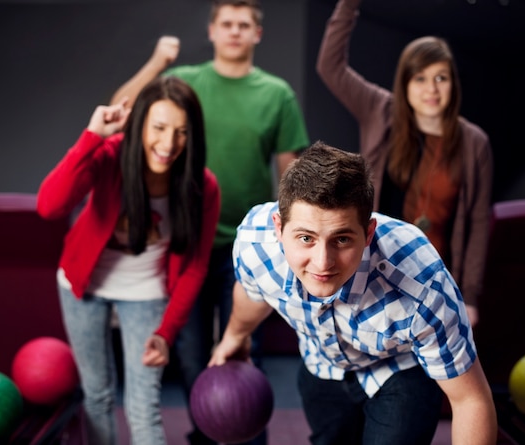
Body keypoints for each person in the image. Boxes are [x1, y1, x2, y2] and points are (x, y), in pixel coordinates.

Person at [111, 1, 309, 443]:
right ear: (213, 30)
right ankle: (207, 432)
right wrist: (159, 61)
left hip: (251, 248)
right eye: (227, 24)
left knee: (242, 351)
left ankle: (248, 436)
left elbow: (292, 173)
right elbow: (121, 108)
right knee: (192, 354)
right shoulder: (185, 81)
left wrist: (290, 241)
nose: (235, 32)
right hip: (189, 239)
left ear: (257, 33)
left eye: (244, 25)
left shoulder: (276, 94)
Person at [209, 141, 498, 445]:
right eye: (306, 238)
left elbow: (471, 401)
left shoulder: (422, 283)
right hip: (323, 366)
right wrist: (235, 336)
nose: (323, 262)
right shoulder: (255, 245)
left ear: (369, 232)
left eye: (342, 239)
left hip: (400, 370)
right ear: (278, 229)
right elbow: (252, 293)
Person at [37, 76, 220, 445]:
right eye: (159, 128)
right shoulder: (110, 156)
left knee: (143, 405)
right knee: (98, 394)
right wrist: (91, 136)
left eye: (181, 132)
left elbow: (195, 266)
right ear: (141, 125)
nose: (169, 144)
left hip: (146, 292)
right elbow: (49, 206)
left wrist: (166, 332)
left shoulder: (202, 185)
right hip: (82, 286)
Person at [316, 0, 493, 327]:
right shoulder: (381, 110)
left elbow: (479, 222)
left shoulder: (474, 142)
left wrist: (469, 295)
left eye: (441, 78)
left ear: (453, 83)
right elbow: (330, 66)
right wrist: (349, 5)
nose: (432, 89)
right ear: (405, 83)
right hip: (377, 271)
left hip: (436, 278)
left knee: (427, 372)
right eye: (420, 78)